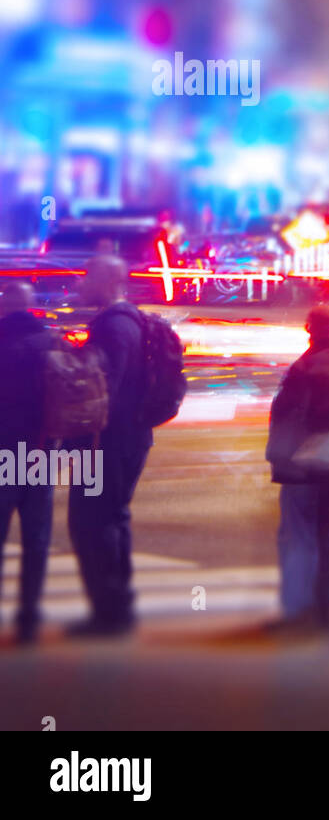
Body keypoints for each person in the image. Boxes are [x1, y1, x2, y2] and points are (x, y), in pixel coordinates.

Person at [66, 256, 153, 637]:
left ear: (109, 279)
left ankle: (109, 613)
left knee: (91, 522)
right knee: (114, 518)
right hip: (130, 438)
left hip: (105, 443)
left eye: (90, 275)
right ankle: (118, 608)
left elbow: (104, 389)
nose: (83, 282)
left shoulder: (113, 327)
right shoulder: (133, 321)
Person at [266, 305, 329, 634]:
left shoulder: (304, 368)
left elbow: (288, 418)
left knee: (299, 538)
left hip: (303, 466)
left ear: (310, 329)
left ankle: (297, 613)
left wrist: (281, 460)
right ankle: (324, 611)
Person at [0, 283, 60, 644]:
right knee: (36, 538)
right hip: (40, 451)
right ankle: (29, 615)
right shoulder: (49, 342)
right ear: (32, 306)